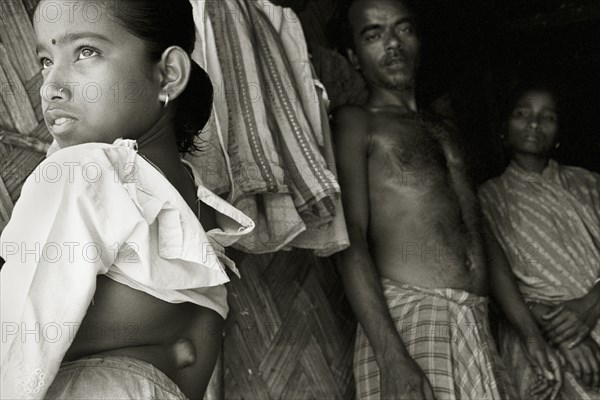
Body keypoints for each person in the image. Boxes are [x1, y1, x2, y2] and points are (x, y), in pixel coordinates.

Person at [0, 1, 254, 399]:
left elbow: (16, 348)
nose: (51, 86)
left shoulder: (81, 171)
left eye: (86, 51)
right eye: (46, 60)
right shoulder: (194, 205)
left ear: (168, 74)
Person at [330, 0, 560, 399]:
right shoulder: (356, 122)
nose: (392, 43)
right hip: (410, 322)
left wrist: (527, 331)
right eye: (373, 34)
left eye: (403, 29)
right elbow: (348, 235)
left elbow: (482, 233)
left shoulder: (444, 129)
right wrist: (391, 357)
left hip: (473, 321)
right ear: (353, 56)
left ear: (419, 40)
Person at [479, 81, 600, 399]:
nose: (534, 123)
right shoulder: (487, 199)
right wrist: (564, 334)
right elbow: (493, 280)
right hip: (536, 333)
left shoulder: (589, 184)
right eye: (523, 114)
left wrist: (590, 304)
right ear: (504, 128)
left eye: (547, 117)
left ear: (559, 134)